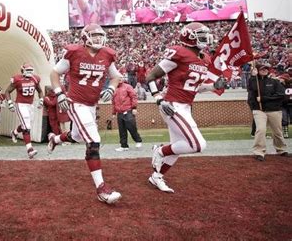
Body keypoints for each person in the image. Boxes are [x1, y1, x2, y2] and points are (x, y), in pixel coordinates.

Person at [146, 22, 227, 193]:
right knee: (198, 145)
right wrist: (158, 98)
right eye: (201, 35)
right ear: (189, 37)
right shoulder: (179, 52)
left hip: (186, 106)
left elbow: (195, 87)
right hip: (172, 105)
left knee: (179, 146)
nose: (205, 39)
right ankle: (159, 150)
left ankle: (157, 176)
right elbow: (151, 76)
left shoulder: (205, 59)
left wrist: (213, 86)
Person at [47, 23, 122, 204]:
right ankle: (101, 189)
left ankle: (55, 139)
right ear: (85, 37)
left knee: (77, 137)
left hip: (91, 104)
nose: (98, 39)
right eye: (94, 36)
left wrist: (111, 89)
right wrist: (59, 94)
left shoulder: (107, 55)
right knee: (93, 141)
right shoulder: (74, 52)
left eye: (100, 35)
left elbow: (116, 76)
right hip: (75, 102)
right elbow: (54, 73)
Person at [247, 62, 288, 161]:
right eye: (261, 69)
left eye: (266, 69)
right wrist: (253, 76)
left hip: (274, 110)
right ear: (257, 71)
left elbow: (281, 95)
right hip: (259, 110)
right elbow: (251, 89)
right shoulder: (253, 81)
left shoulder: (274, 82)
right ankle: (259, 152)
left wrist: (264, 99)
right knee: (260, 130)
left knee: (277, 131)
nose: (264, 70)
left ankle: (281, 149)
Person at [5, 63, 44, 158]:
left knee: (26, 124)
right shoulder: (17, 79)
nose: (30, 72)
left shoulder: (35, 79)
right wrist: (10, 103)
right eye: (28, 70)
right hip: (20, 105)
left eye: (31, 70)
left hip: (30, 105)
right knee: (26, 127)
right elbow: (7, 91)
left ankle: (14, 132)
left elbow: (40, 91)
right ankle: (30, 149)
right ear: (22, 70)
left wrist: (41, 100)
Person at [112, 75, 142, 151]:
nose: (120, 79)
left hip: (128, 111)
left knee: (131, 127)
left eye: (121, 77)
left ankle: (138, 140)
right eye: (119, 78)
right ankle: (124, 146)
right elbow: (113, 102)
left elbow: (133, 97)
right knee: (121, 130)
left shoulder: (127, 87)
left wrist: (134, 108)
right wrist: (113, 113)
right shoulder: (114, 89)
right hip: (119, 112)